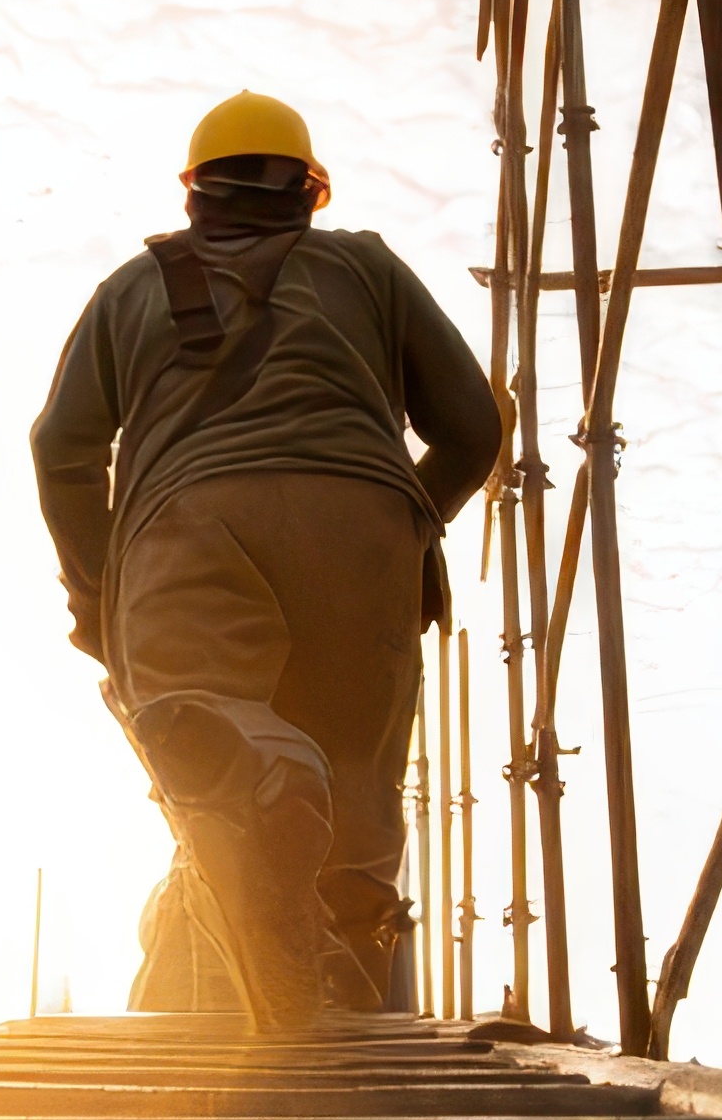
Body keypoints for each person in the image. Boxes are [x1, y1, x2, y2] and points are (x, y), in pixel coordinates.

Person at [30, 91, 503, 1032]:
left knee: (206, 724)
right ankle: (330, 980)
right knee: (357, 815)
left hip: (186, 526)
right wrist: (406, 525)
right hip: (363, 533)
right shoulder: (367, 269)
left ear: (196, 194)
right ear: (309, 194)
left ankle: (258, 770)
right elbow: (476, 427)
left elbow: (62, 451)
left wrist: (102, 592)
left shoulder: (131, 288)